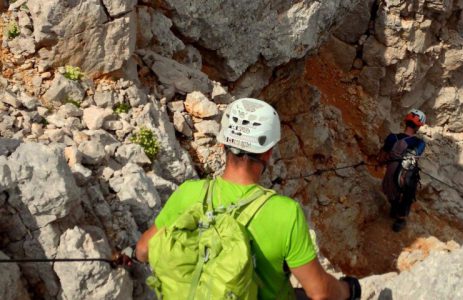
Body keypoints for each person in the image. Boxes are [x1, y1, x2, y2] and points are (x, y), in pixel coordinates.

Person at [135, 98, 360, 299]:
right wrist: (348, 289)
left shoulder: (189, 193)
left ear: (222, 144)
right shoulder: (285, 213)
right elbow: (319, 292)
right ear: (268, 152)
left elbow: (143, 251)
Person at [378, 109, 427, 232]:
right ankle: (401, 219)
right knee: (409, 191)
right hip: (406, 174)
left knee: (391, 188)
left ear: (406, 122)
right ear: (418, 126)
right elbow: (416, 156)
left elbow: (383, 155)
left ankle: (394, 208)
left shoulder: (392, 137)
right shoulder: (419, 142)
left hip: (391, 172)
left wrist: (380, 164)